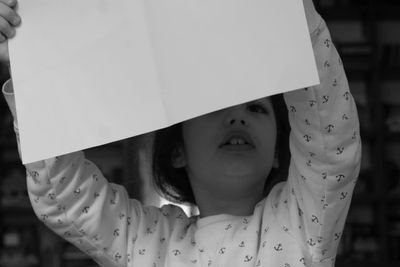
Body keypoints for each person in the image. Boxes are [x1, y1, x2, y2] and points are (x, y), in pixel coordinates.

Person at [1, 0, 362, 266]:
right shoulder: (149, 245)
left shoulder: (300, 223)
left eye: (256, 108)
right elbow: (64, 195)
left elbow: (330, 141)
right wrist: (27, 59)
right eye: (216, 106)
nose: (238, 116)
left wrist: (291, 15)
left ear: (280, 154)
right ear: (177, 151)